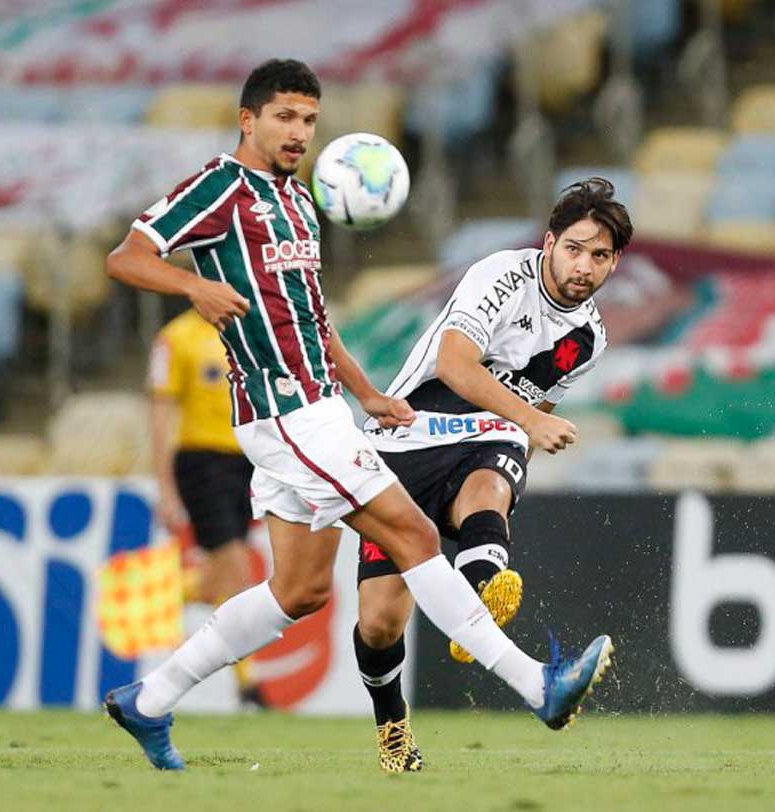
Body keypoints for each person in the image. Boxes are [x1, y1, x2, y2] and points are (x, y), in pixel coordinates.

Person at [101, 58, 615, 771]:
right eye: (284, 116)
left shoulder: (300, 202)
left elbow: (312, 316)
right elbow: (126, 258)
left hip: (320, 403)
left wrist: (368, 392)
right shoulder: (222, 187)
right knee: (410, 530)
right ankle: (537, 685)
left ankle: (149, 701)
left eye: (309, 119)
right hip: (282, 409)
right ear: (248, 119)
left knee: (301, 589)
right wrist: (195, 287)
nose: (299, 132)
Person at [354, 177, 633, 772]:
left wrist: (519, 443)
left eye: (601, 256)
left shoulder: (590, 338)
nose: (584, 266)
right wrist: (528, 419)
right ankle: (393, 729)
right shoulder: (502, 275)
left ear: (615, 264)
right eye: (575, 248)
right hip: (411, 431)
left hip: (488, 439)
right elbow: (455, 365)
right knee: (379, 622)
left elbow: (531, 421)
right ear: (550, 243)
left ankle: (479, 590)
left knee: (499, 457)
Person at [149, 307, 263, 705]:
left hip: (246, 461)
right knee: (236, 568)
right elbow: (160, 414)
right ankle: (249, 685)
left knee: (220, 580)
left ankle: (154, 594)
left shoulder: (246, 330)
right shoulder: (176, 337)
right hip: (201, 462)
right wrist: (165, 488)